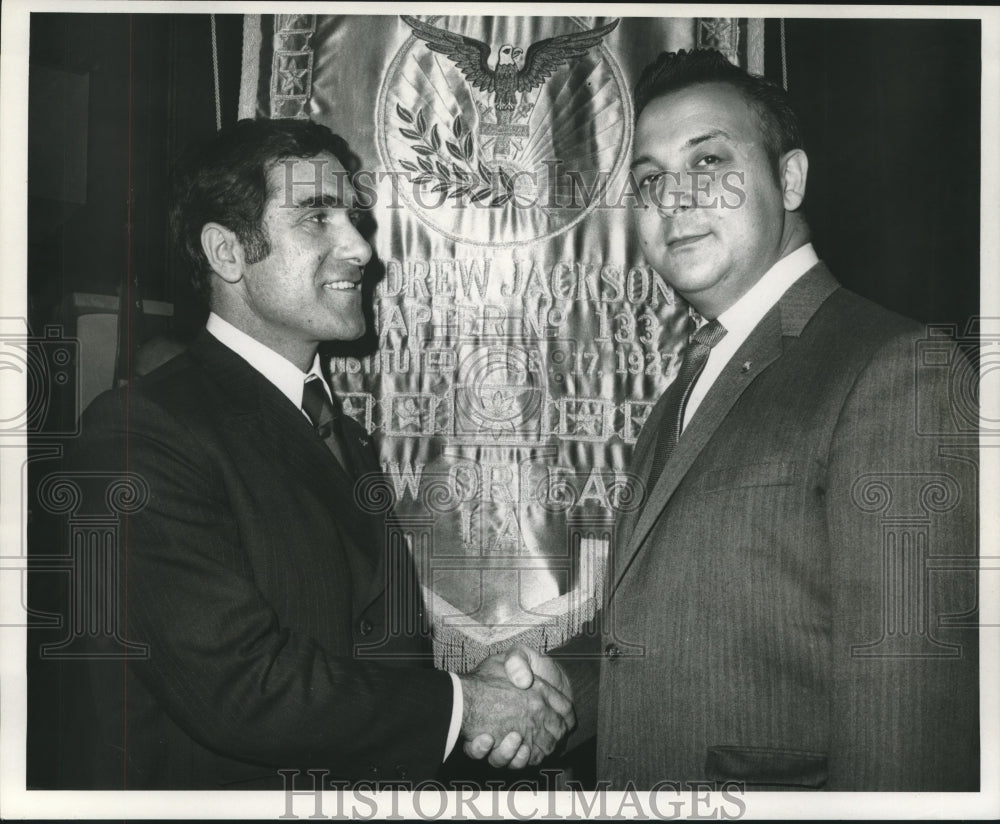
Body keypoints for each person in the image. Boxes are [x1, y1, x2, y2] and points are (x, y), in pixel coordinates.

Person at [491, 48, 979, 791]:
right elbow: (673, 632)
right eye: (649, 179)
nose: (672, 199)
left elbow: (905, 714)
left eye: (709, 161)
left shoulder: (897, 369)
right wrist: (546, 691)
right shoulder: (692, 378)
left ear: (789, 179)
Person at [45, 118, 573, 789]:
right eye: (317, 217)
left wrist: (492, 692)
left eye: (352, 217)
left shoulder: (342, 436)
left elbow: (377, 659)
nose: (359, 247)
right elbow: (240, 688)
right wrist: (467, 706)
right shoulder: (139, 433)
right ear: (228, 253)